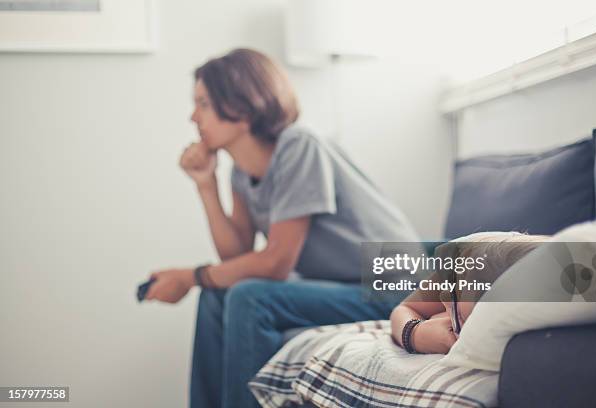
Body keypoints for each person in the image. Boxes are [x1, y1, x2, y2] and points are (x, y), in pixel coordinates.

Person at [143, 48, 420, 408]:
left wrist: (190, 276)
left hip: (393, 288)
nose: (193, 116)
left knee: (250, 297)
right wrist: (205, 185)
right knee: (218, 295)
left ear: (241, 108)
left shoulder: (298, 146)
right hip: (341, 283)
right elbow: (238, 257)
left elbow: (275, 263)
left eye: (204, 104)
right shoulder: (242, 170)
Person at [390, 232, 548, 354]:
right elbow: (404, 309)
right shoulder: (460, 262)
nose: (445, 301)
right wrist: (415, 334)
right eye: (455, 293)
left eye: (460, 320)